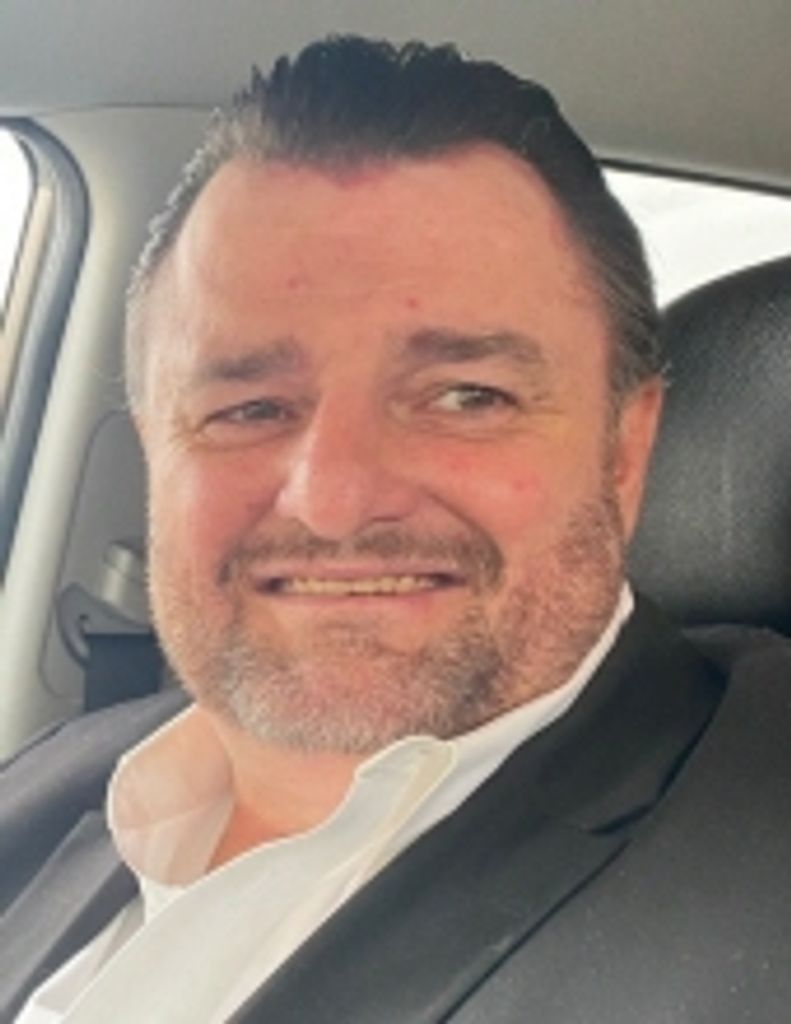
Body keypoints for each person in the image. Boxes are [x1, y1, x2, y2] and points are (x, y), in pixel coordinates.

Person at [1, 35, 790, 1024]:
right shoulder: (49, 781)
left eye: (466, 396)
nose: (332, 501)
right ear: (157, 451)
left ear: (624, 451)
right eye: (248, 408)